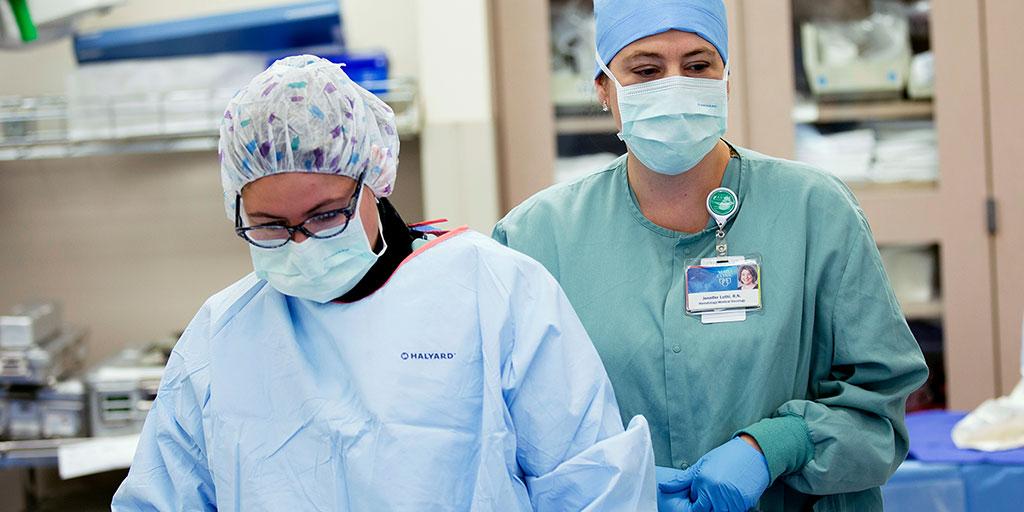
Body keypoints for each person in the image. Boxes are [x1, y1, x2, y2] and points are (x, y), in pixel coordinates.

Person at [112, 55, 657, 511]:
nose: (302, 243)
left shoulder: (492, 291)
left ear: (374, 178)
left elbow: (590, 484)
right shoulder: (222, 335)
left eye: (326, 215)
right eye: (271, 227)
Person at [492, 1, 929, 511]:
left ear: (726, 80)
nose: (675, 85)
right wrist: (605, 483)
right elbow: (505, 435)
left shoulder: (815, 212)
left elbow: (880, 411)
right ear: (604, 88)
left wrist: (778, 446)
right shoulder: (535, 239)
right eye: (647, 69)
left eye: (698, 66)